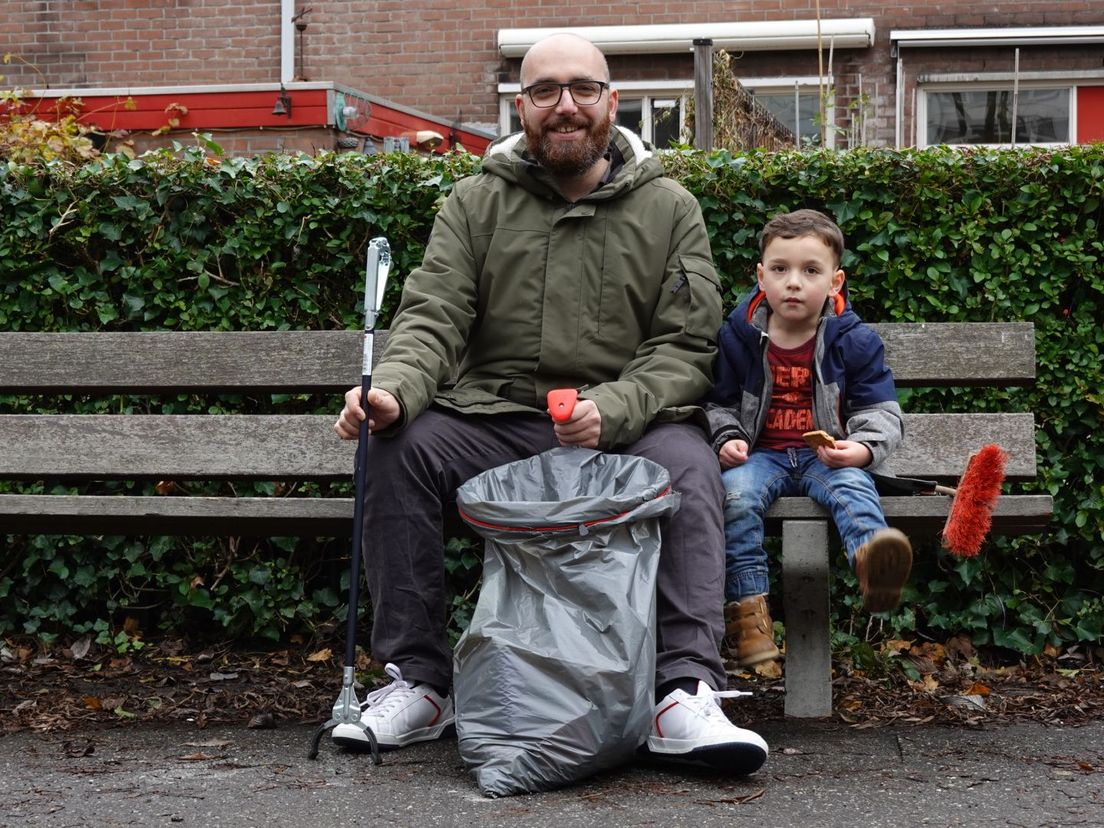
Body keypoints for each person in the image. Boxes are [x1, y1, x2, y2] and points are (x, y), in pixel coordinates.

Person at [331, 33, 768, 775]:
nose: (565, 105)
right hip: (494, 421)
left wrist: (618, 406)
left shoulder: (670, 208)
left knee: (692, 470)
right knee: (396, 447)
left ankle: (682, 692)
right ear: (522, 108)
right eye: (544, 92)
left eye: (582, 89)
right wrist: (393, 391)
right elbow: (432, 316)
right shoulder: (473, 203)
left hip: (624, 429)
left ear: (610, 102)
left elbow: (686, 348)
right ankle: (422, 684)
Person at [703, 209, 913, 668]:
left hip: (826, 457)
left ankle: (872, 563)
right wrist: (728, 437)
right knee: (734, 497)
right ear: (761, 276)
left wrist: (860, 449)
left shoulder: (853, 341)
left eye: (810, 271)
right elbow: (716, 403)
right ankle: (748, 616)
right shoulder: (739, 338)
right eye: (780, 270)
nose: (793, 283)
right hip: (763, 456)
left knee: (856, 487)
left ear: (835, 283)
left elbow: (880, 410)